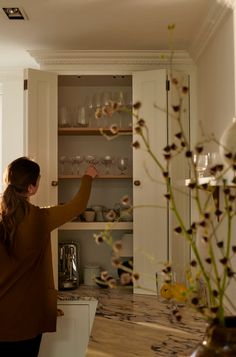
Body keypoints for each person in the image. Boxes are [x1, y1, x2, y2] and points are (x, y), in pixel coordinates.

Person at [0, 156, 97, 356]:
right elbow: (77, 206)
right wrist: (88, 176)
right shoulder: (41, 219)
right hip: (27, 319)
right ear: (31, 187)